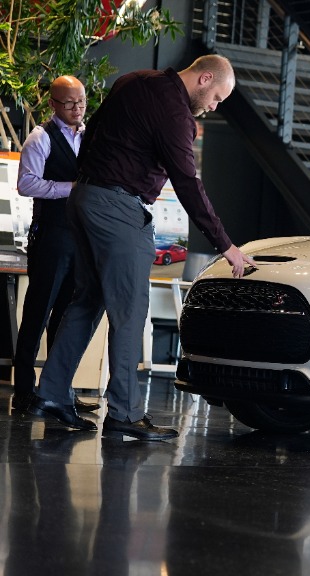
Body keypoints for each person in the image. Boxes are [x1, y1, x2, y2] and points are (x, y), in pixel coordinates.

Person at [29, 55, 255, 440]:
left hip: (84, 198)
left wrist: (90, 183)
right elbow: (187, 183)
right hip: (119, 209)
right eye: (217, 97)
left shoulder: (134, 79)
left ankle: (50, 393)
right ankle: (125, 414)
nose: (215, 106)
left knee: (88, 301)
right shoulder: (175, 113)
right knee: (130, 311)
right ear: (204, 79)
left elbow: (93, 130)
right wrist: (227, 246)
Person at [12, 76, 100, 414]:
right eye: (69, 103)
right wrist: (73, 188)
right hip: (50, 235)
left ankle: (57, 391)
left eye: (81, 101)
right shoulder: (40, 138)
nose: (78, 108)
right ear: (53, 104)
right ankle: (24, 393)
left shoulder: (88, 134)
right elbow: (27, 184)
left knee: (66, 317)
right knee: (38, 312)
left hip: (80, 236)